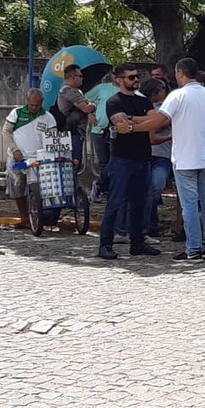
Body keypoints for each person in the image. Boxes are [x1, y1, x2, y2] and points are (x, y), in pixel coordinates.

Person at [131, 58, 205, 262]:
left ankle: (193, 248)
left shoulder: (177, 95)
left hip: (185, 158)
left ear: (180, 73)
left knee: (189, 204)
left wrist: (133, 127)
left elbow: (160, 120)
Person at [97, 63, 160, 260]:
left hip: (143, 158)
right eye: (131, 77)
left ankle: (137, 242)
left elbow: (156, 120)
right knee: (115, 202)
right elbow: (120, 123)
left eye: (136, 77)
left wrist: (133, 120)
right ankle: (105, 244)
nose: (135, 80)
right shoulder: (114, 102)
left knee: (141, 203)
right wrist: (142, 121)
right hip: (122, 159)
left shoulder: (144, 101)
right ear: (118, 80)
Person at [2, 88, 57, 229]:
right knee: (17, 189)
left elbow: (52, 138)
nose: (33, 107)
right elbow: (6, 131)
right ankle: (24, 218)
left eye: (37, 105)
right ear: (27, 101)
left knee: (39, 189)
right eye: (31, 104)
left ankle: (39, 216)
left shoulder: (48, 118)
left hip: (38, 158)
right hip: (17, 157)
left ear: (41, 103)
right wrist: (15, 149)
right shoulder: (17, 113)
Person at [139, 77, 172, 240]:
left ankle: (149, 225)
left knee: (155, 188)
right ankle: (147, 226)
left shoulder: (167, 108)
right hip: (146, 153)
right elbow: (152, 134)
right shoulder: (145, 108)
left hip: (162, 155)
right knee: (146, 190)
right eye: (163, 89)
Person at [85, 73, 120, 203]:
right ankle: (104, 190)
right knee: (103, 162)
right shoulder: (102, 88)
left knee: (115, 161)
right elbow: (85, 99)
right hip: (99, 129)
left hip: (117, 131)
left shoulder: (127, 90)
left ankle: (101, 185)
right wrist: (89, 112)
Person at [57, 64, 96, 171]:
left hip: (73, 130)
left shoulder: (72, 90)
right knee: (74, 162)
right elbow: (86, 108)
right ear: (73, 77)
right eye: (80, 76)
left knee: (74, 162)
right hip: (73, 130)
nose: (82, 78)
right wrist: (95, 104)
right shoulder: (70, 91)